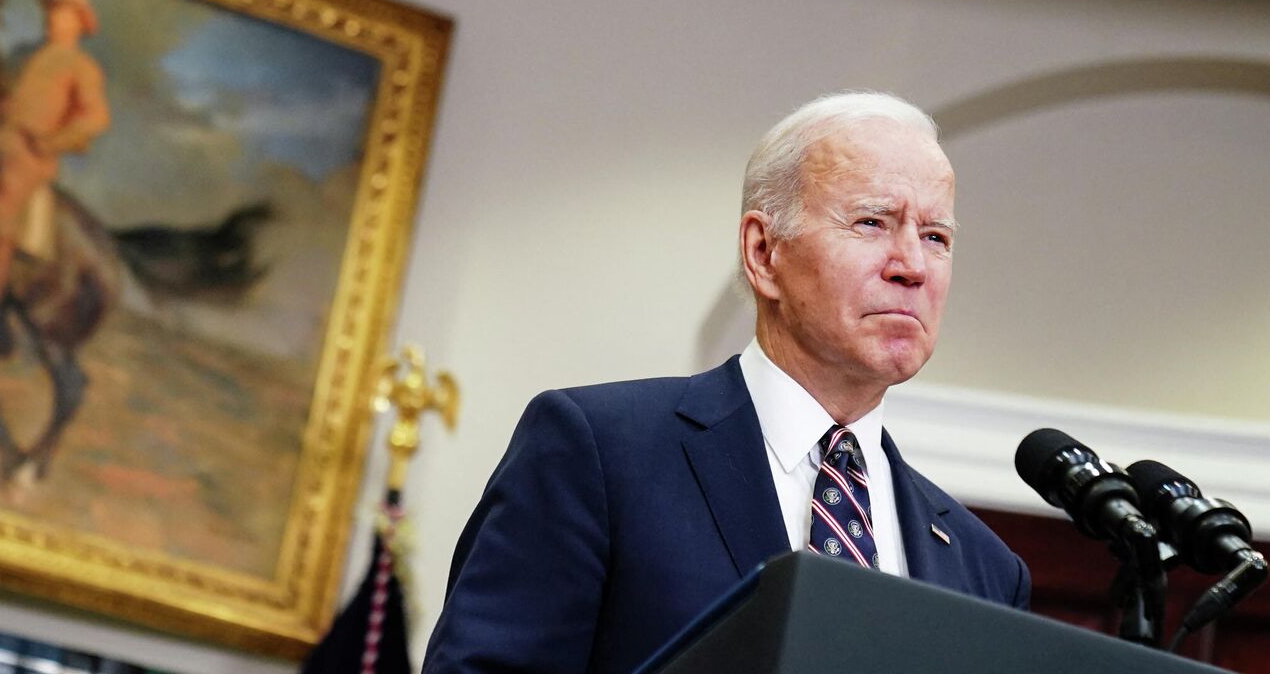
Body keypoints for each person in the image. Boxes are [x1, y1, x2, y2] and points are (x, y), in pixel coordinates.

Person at [422, 92, 1029, 674]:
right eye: (872, 222)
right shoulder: (599, 454)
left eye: (936, 238)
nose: (912, 267)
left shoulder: (986, 571)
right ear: (764, 252)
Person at [0, 0, 111, 331]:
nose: (54, 19)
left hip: (30, 153)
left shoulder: (82, 67)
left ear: (80, 23)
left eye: (63, 14)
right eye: (52, 11)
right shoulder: (23, 52)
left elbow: (96, 117)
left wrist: (52, 141)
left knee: (4, 203)